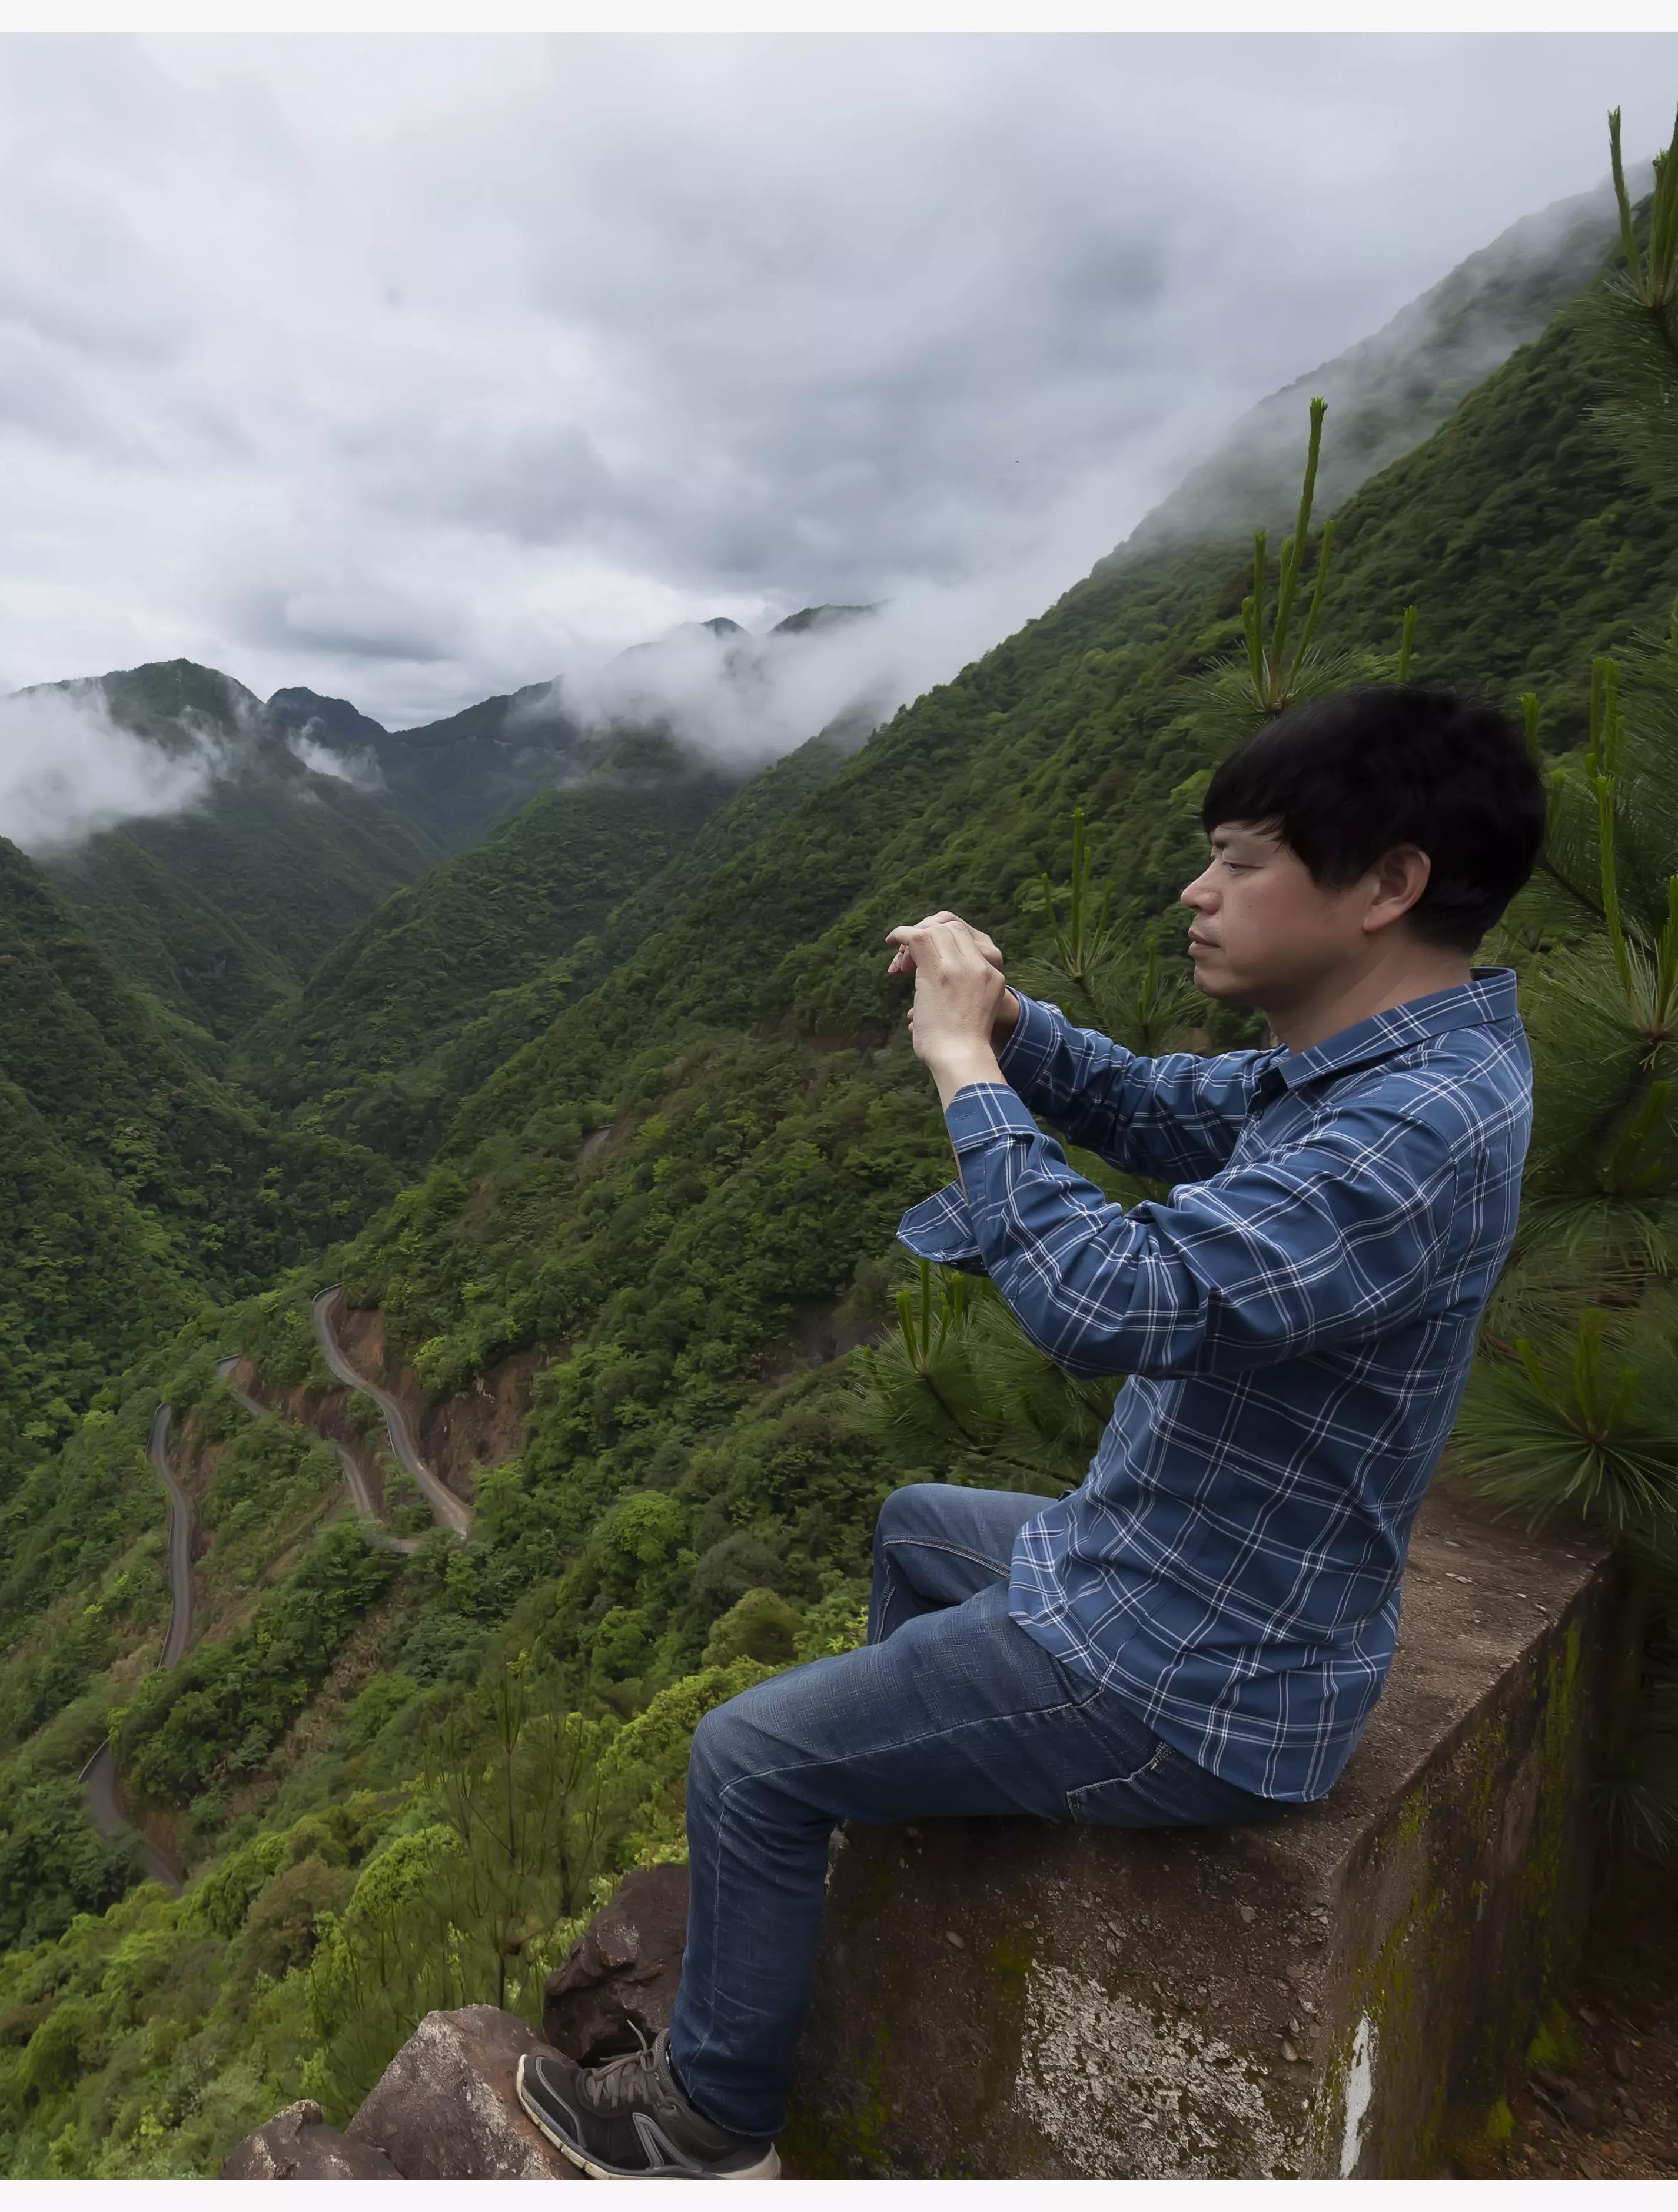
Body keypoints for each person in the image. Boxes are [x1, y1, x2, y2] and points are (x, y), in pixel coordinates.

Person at [517, 685, 1548, 2179]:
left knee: (744, 1757)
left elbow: (1111, 1295)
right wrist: (1010, 1021)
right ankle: (900, 1810)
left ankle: (710, 2116)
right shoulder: (1378, 1068)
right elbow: (1148, 1102)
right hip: (1185, 1570)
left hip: (1187, 1667)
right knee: (916, 1524)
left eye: (1241, 860)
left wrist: (961, 1065)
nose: (1198, 893)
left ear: (1386, 882)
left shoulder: (1411, 1132)